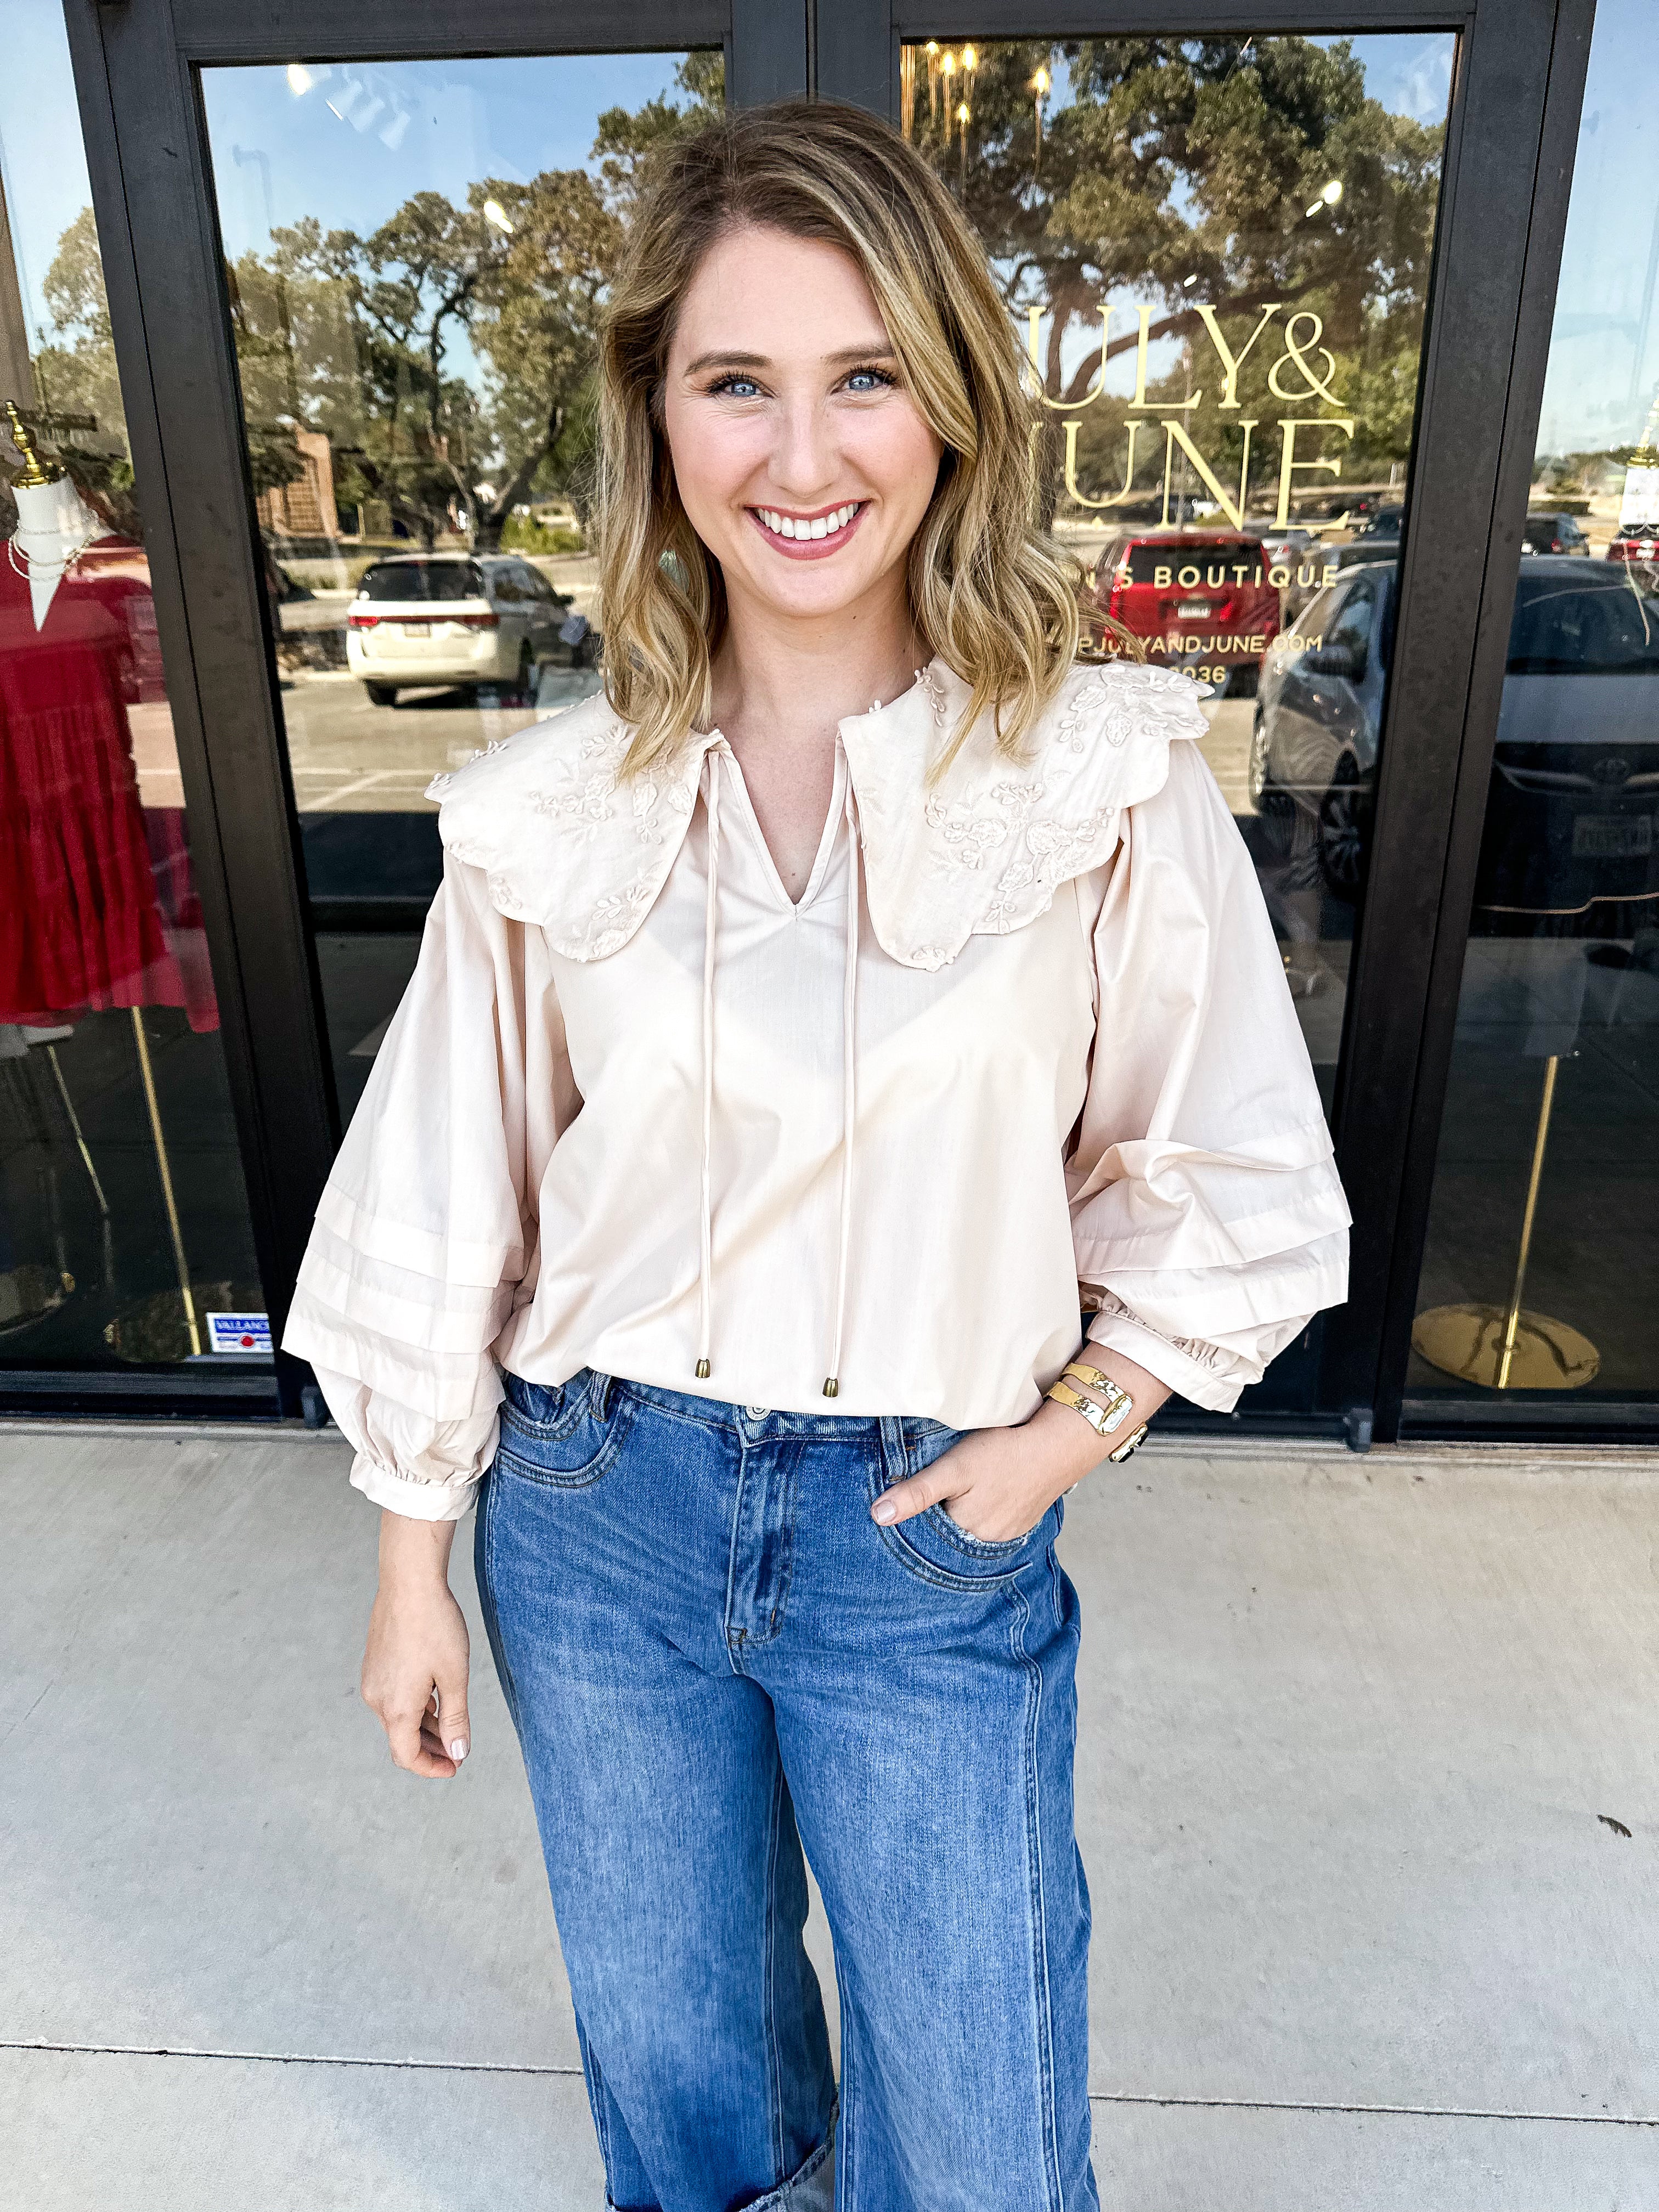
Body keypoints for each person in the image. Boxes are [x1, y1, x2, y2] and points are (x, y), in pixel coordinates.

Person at [284, 97, 1349, 2212]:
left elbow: (1226, 1167)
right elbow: (445, 1186)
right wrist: (413, 1549)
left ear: (948, 406)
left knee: (981, 2135)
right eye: (736, 382)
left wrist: (1076, 1428)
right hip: (598, 1515)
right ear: (657, 418)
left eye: (865, 377)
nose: (802, 455)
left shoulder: (1101, 780)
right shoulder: (548, 810)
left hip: (921, 1530)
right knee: (685, 2102)